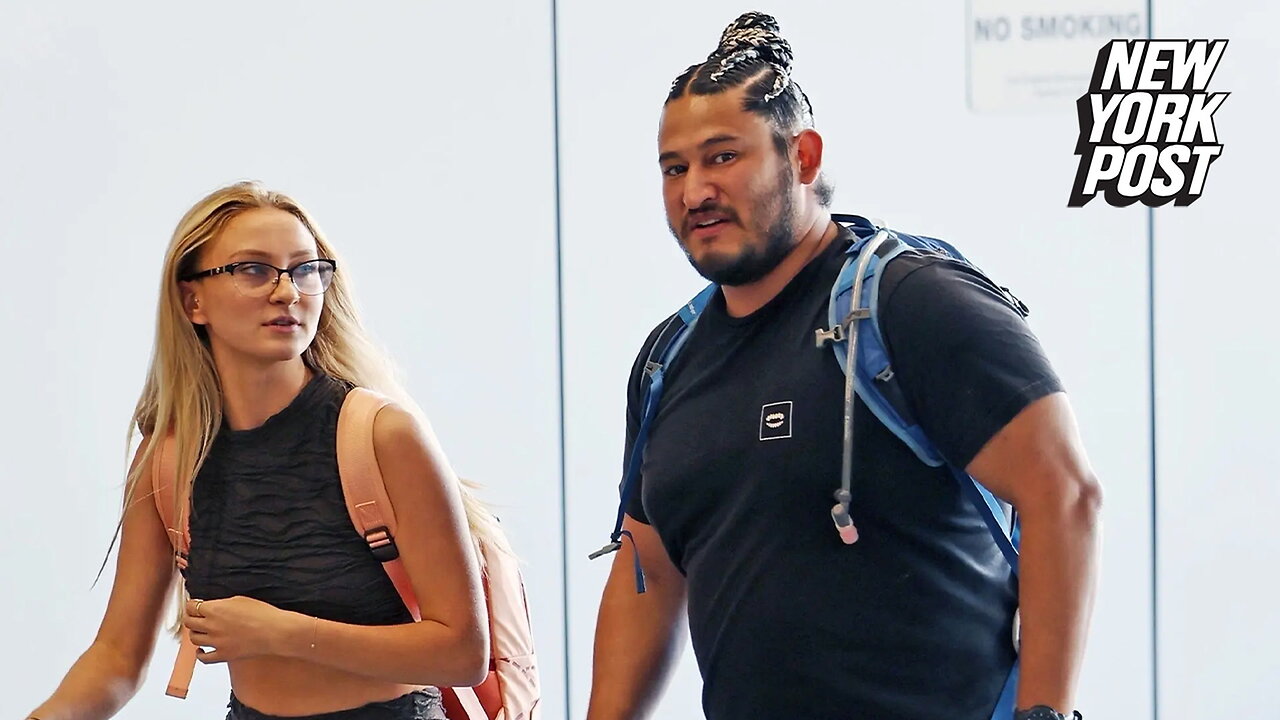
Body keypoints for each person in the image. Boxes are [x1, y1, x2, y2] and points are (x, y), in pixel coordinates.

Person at [586, 13, 1102, 720]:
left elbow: (1064, 492)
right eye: (675, 168)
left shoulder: (912, 302)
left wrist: (1044, 715)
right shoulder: (667, 359)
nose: (694, 191)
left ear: (802, 157)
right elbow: (648, 568)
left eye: (723, 157)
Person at [27, 181, 503, 720]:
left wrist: (279, 633)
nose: (288, 292)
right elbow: (117, 657)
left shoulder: (382, 434)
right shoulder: (168, 459)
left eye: (305, 270)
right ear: (193, 300)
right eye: (253, 270)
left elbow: (463, 653)